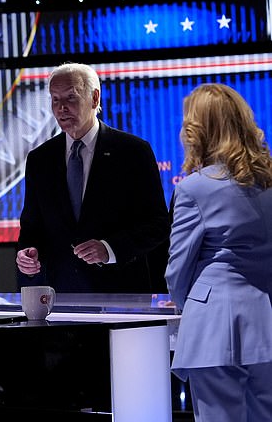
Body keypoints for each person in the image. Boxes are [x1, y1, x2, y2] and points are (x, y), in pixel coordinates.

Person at [165, 83, 272, 421]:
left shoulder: (194, 189)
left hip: (213, 331)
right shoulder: (268, 181)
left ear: (197, 130)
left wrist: (191, 310)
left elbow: (177, 273)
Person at [16, 62, 169, 292]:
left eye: (70, 97)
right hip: (62, 297)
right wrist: (28, 253)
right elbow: (32, 227)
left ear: (95, 98)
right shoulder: (40, 160)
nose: (61, 108)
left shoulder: (133, 152)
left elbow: (157, 226)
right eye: (55, 99)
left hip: (123, 295)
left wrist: (109, 249)